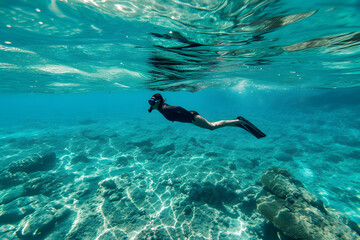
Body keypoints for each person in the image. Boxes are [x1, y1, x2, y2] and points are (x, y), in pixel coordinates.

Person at [148, 93, 266, 139]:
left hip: (193, 118)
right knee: (212, 127)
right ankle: (236, 122)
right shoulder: (160, 107)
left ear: (158, 102)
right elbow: (169, 110)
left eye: (152, 102)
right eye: (150, 102)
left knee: (212, 127)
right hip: (192, 118)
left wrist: (189, 116)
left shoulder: (164, 108)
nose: (150, 104)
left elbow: (178, 108)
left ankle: (239, 121)